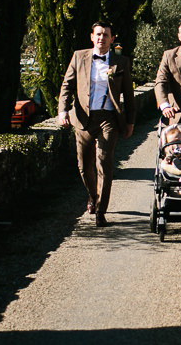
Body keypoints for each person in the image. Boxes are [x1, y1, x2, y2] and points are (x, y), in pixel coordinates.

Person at [58, 21, 136, 227]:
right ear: (92, 37)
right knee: (84, 166)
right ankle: (93, 196)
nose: (102, 38)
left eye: (106, 35)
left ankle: (101, 210)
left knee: (104, 162)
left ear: (111, 39)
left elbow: (128, 95)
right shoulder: (79, 56)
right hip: (83, 117)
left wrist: (130, 122)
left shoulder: (121, 62)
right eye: (98, 34)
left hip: (108, 118)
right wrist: (62, 110)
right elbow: (67, 85)